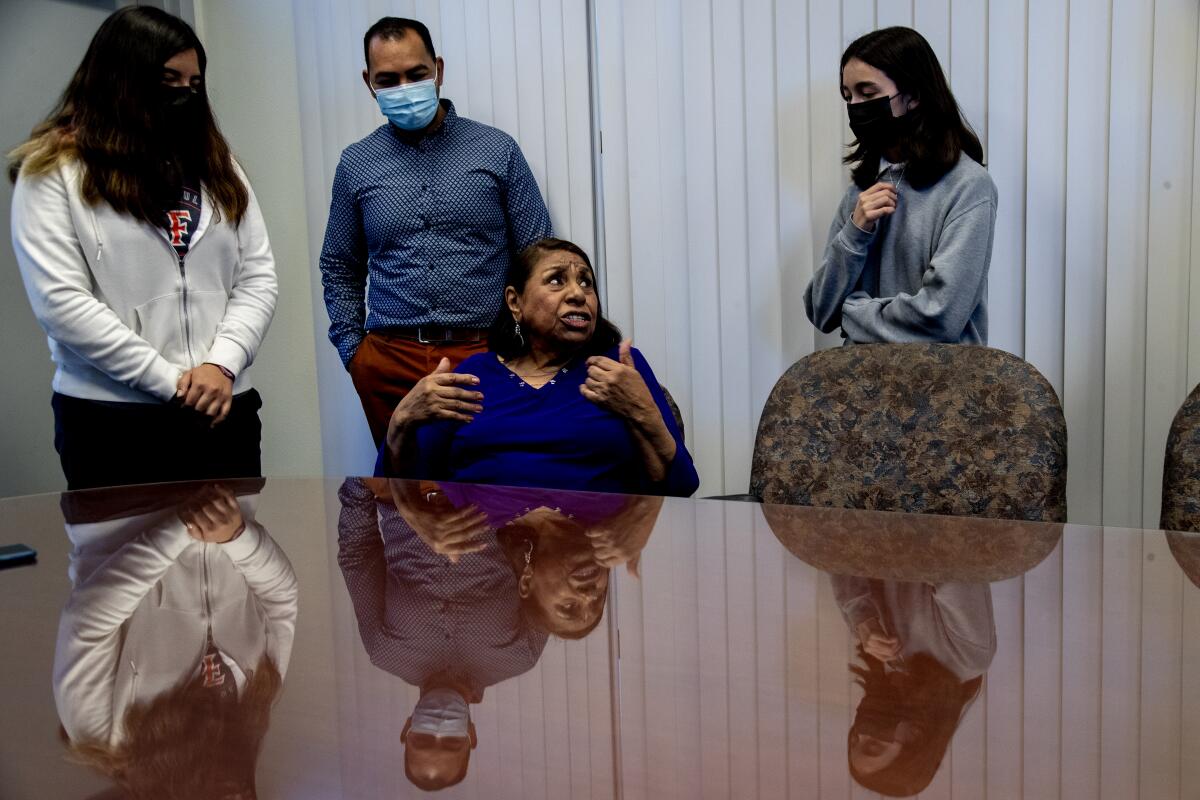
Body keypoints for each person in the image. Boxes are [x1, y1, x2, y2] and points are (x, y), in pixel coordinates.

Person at [8, 7, 278, 491]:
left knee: (234, 560)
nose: (183, 95)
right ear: (121, 78)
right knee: (130, 566)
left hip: (225, 408)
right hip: (114, 421)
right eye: (168, 79)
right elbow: (62, 304)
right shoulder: (53, 171)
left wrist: (221, 365)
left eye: (193, 85)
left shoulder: (219, 166)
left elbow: (256, 277)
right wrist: (171, 383)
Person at [320, 17, 554, 447]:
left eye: (416, 74)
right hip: (389, 360)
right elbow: (339, 264)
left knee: (486, 492)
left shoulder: (497, 150)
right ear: (369, 82)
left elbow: (537, 255)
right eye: (388, 79)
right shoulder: (356, 164)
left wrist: (525, 350)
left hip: (485, 353)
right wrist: (357, 354)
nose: (404, 87)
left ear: (438, 70)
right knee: (402, 495)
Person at [379, 237, 699, 497]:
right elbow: (396, 494)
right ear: (515, 302)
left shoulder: (617, 367)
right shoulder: (472, 376)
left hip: (586, 559)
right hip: (487, 560)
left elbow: (681, 487)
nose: (578, 293)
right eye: (557, 280)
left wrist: (642, 411)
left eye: (586, 283)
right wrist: (403, 421)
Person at [53, 481, 297, 800]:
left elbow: (86, 623)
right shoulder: (256, 705)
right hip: (229, 480)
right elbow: (281, 597)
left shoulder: (105, 740)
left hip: (120, 491)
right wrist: (237, 537)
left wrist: (184, 527)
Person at [805, 26, 997, 344]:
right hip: (862, 387)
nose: (855, 106)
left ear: (913, 96)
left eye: (868, 93)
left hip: (943, 388)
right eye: (848, 96)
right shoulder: (860, 193)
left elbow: (940, 317)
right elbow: (822, 311)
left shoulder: (969, 187)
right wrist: (855, 232)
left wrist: (851, 311)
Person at [833, 575, 996, 796]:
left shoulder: (868, 636)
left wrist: (861, 614)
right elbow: (954, 563)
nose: (862, 732)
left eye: (854, 738)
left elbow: (836, 554)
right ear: (915, 736)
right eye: (872, 746)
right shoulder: (967, 657)